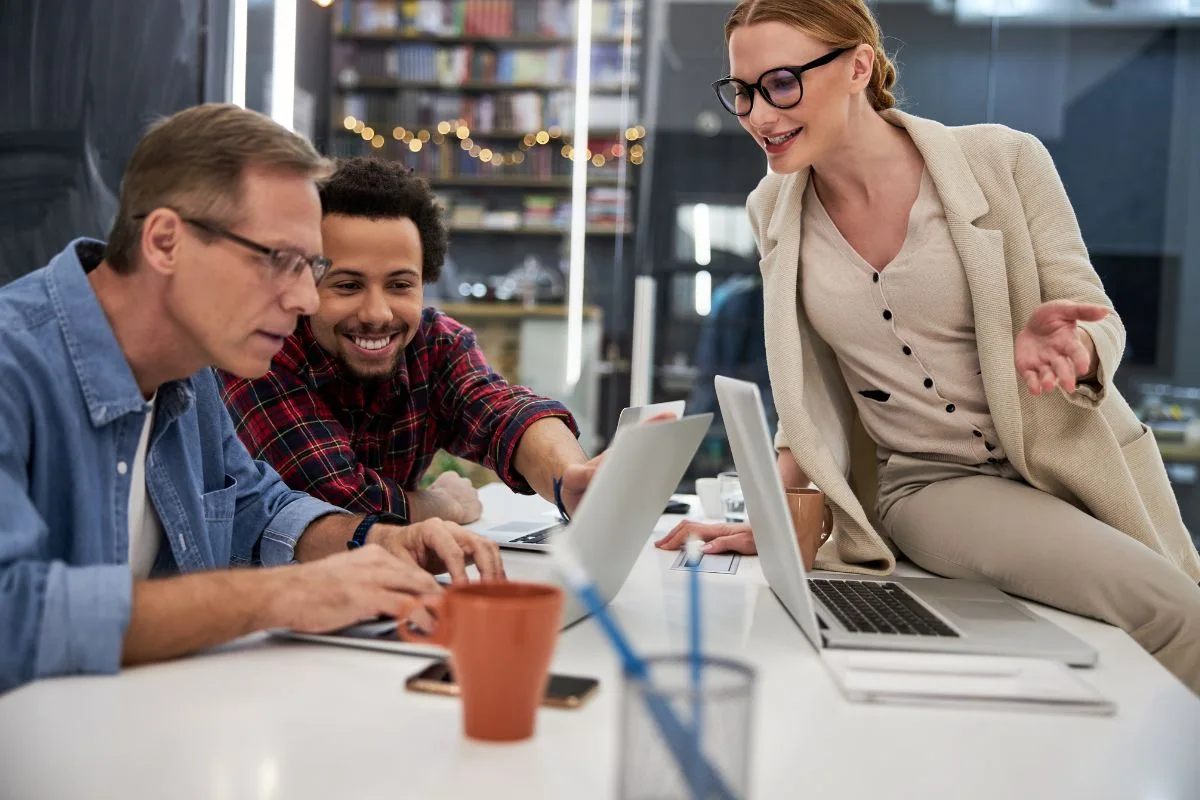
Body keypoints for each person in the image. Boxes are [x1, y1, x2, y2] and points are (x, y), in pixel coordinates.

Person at [655, 0, 1200, 693]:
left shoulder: (1004, 160)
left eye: (782, 84)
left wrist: (1076, 346)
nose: (760, 114)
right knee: (1178, 615)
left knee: (1160, 633)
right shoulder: (775, 208)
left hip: (1077, 463)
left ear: (857, 67)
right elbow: (807, 385)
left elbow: (1097, 317)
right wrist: (776, 514)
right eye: (743, 91)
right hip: (936, 486)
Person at [0, 104, 503, 694]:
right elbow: (13, 614)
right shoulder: (16, 366)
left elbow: (256, 511)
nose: (306, 299)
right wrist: (284, 595)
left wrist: (380, 542)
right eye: (280, 262)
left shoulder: (191, 371)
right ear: (166, 241)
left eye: (310, 266)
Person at [220, 157, 596, 525]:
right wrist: (447, 505)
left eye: (400, 285)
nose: (378, 313)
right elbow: (336, 502)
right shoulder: (267, 350)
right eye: (348, 285)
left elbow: (502, 413)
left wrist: (573, 476)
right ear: (303, 281)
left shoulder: (435, 344)